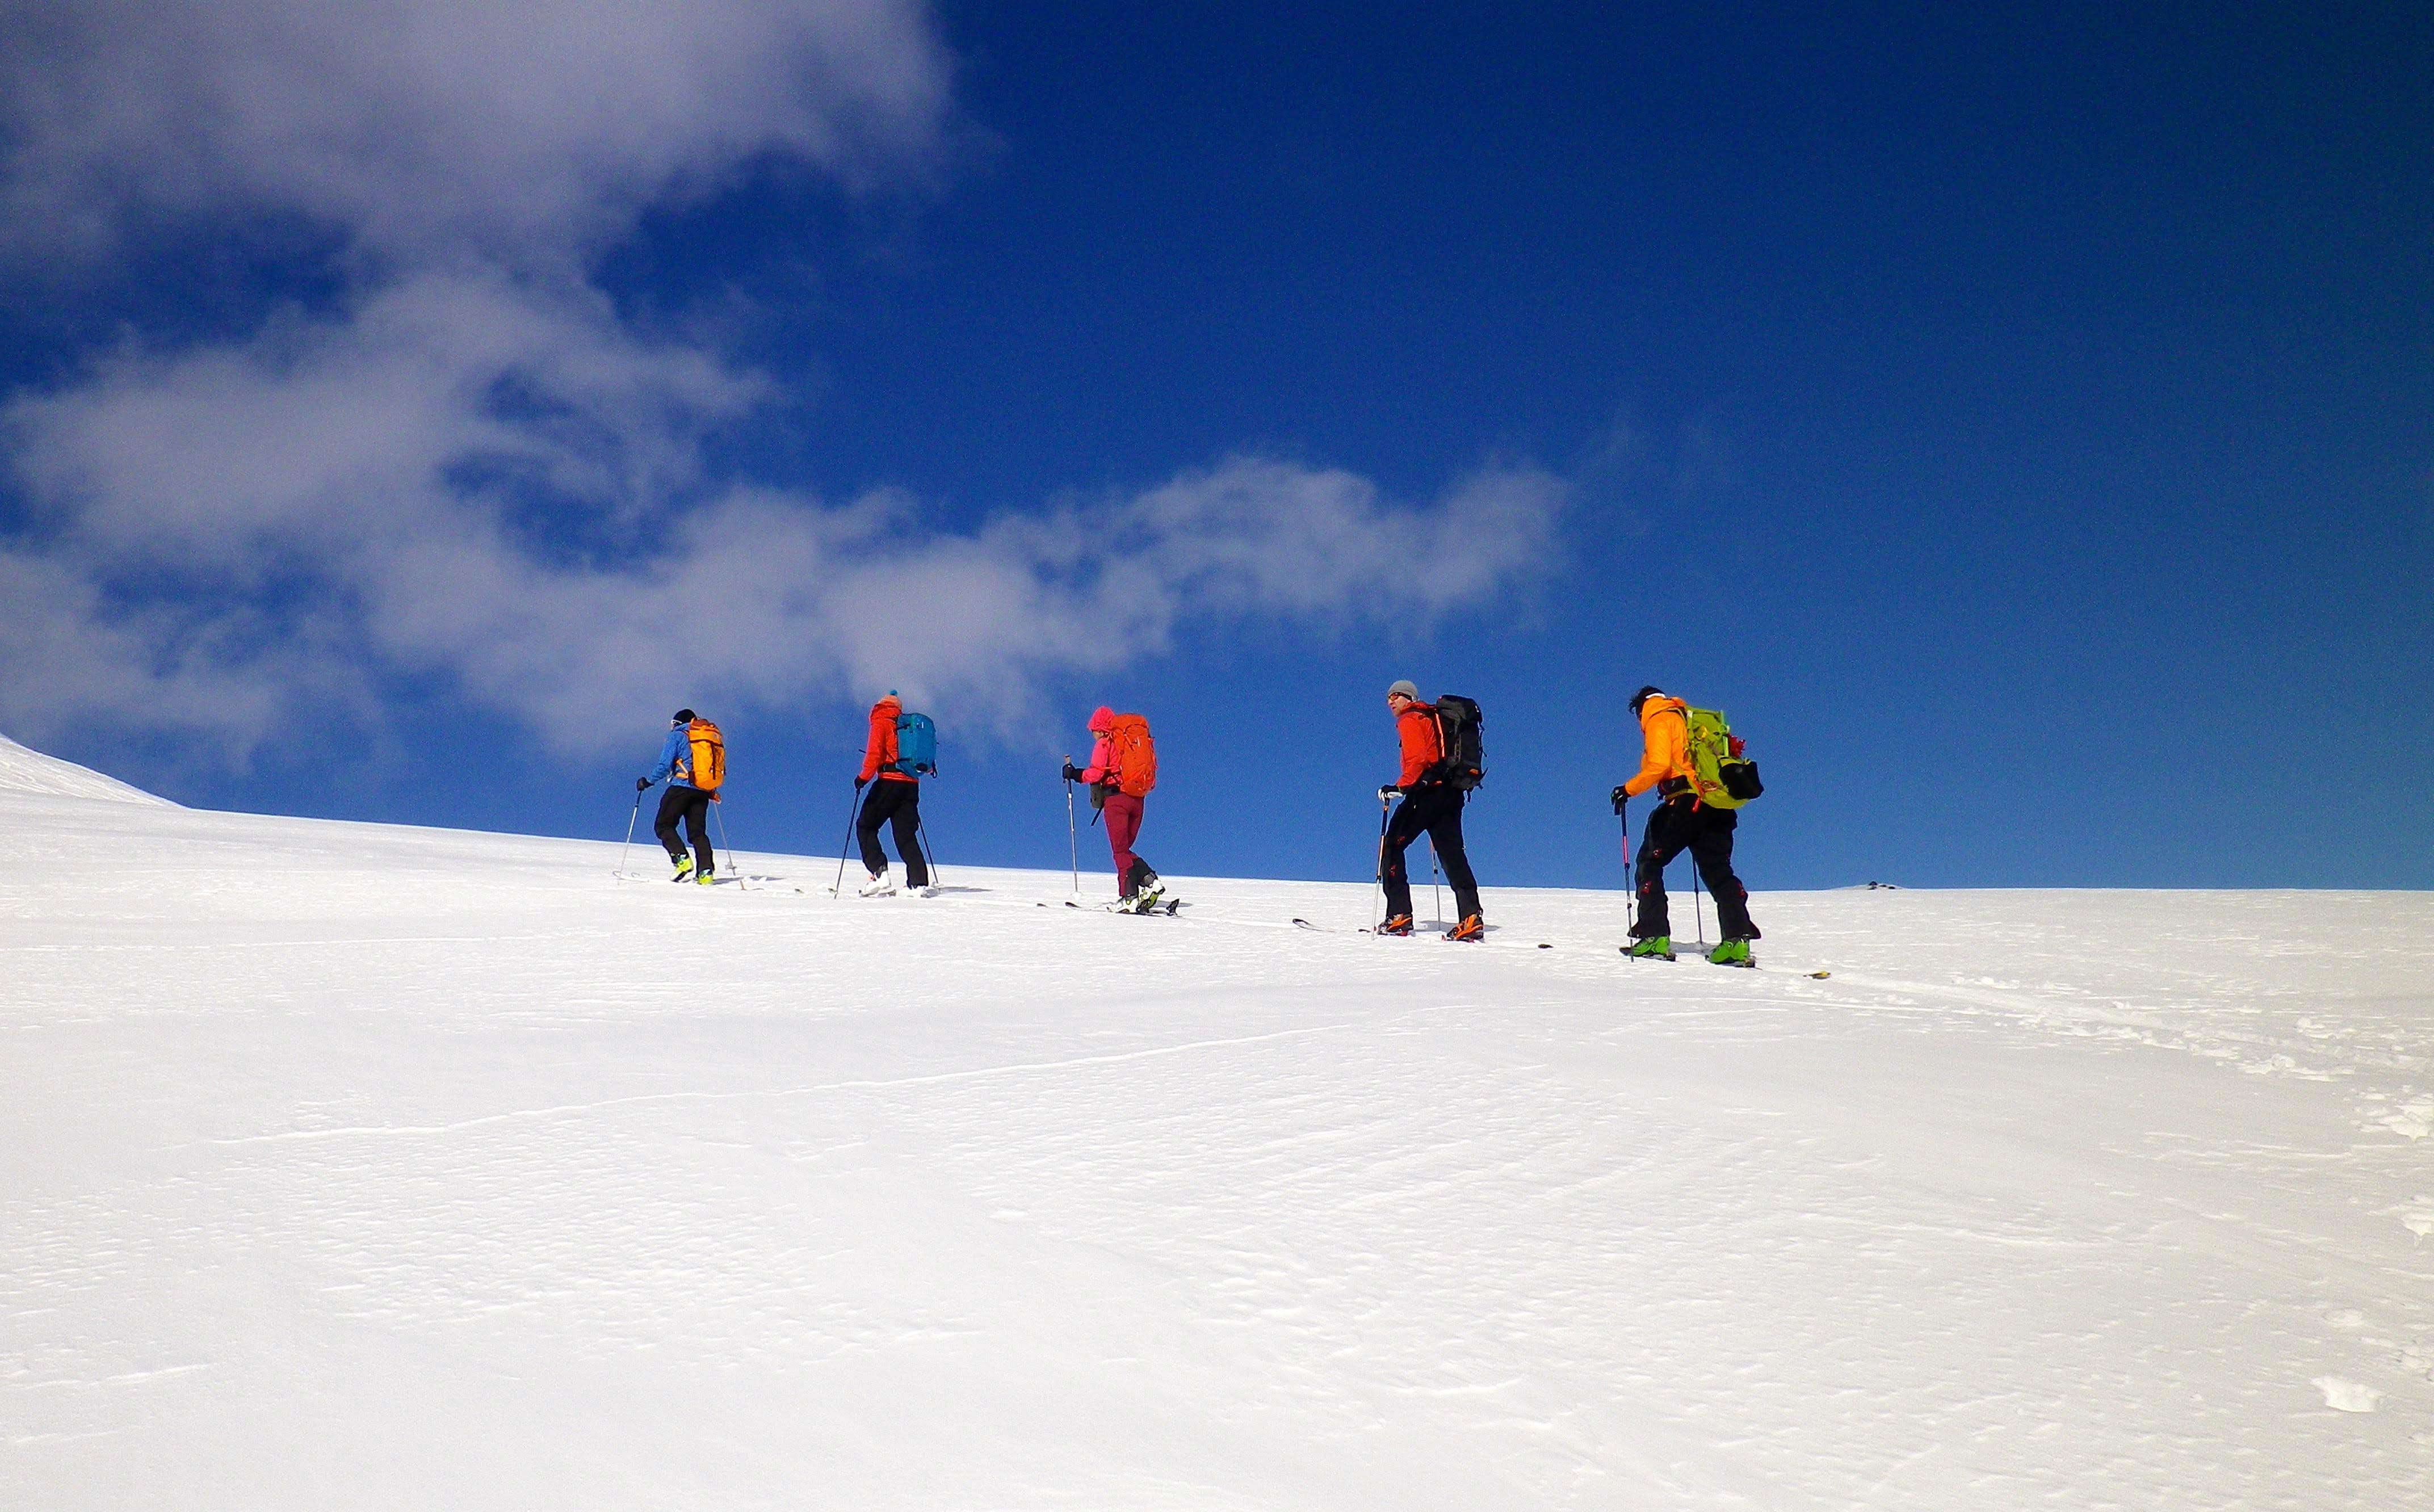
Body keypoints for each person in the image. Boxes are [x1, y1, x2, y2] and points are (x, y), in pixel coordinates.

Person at [1615, 685, 1760, 964]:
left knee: (1650, 863)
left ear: (1642, 707)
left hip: (1684, 803)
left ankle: (1654, 937)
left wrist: (1627, 789)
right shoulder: (1691, 719)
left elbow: (1658, 765)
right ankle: (1736, 941)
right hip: (1716, 804)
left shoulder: (1659, 717)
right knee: (1718, 871)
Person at [1378, 679, 1483, 940]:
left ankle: (1399, 915)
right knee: (1452, 855)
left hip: (1426, 793)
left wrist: (1400, 787)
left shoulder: (1411, 718)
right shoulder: (1434, 718)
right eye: (1389, 697)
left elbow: (1419, 759)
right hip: (1451, 793)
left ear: (1410, 698)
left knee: (1391, 846)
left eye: (1397, 696)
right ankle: (1471, 917)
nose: (1392, 701)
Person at [1061, 705, 1160, 909]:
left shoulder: (1106, 744)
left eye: (1093, 731)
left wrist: (1074, 774)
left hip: (1117, 801)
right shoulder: (1130, 744)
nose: (1093, 735)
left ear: (1100, 728)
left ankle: (1130, 896)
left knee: (1119, 851)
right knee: (1124, 849)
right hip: (1138, 799)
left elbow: (1096, 774)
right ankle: (1150, 882)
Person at [853, 691, 929, 897]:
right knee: (906, 835)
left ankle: (880, 874)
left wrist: (863, 778)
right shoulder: (909, 725)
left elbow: (875, 753)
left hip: (888, 782)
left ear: (881, 705)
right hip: (911, 785)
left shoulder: (882, 720)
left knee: (866, 826)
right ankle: (918, 883)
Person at [638, 708, 714, 884]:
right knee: (697, 833)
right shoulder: (705, 737)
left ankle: (682, 860)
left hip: (681, 787)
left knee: (664, 825)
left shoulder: (677, 736)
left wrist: (648, 781)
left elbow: (665, 765)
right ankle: (706, 872)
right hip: (702, 790)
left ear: (677, 723)